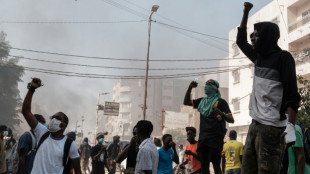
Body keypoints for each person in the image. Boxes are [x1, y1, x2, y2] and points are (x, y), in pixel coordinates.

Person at [237, 2, 301, 174]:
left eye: (256, 36)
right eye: (252, 36)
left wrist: (290, 126)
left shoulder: (283, 58)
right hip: (255, 126)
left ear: (266, 37)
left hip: (272, 128)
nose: (253, 39)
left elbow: (292, 96)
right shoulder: (258, 58)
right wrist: (245, 13)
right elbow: (240, 40)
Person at [21, 78, 81, 174]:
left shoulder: (70, 144)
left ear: (64, 125)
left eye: (57, 118)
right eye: (53, 117)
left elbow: (78, 171)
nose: (53, 120)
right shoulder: (42, 133)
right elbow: (26, 111)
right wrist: (31, 89)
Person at [183, 79, 234, 174]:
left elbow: (231, 119)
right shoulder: (202, 102)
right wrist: (190, 87)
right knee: (204, 167)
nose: (206, 87)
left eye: (209, 85)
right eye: (206, 85)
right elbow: (186, 102)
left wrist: (222, 114)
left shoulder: (221, 102)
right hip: (203, 140)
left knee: (216, 166)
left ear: (215, 88)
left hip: (215, 140)